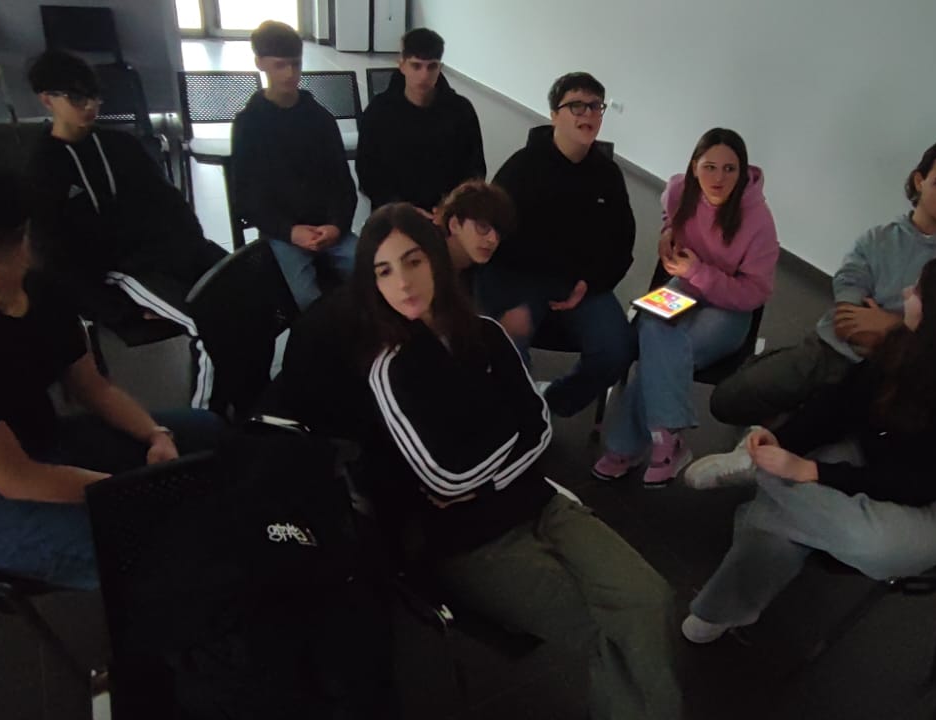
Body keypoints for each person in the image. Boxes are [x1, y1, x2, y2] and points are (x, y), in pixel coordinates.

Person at [275, 204, 682, 719]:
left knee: (653, 599)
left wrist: (486, 472)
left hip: (542, 504)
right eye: (384, 271)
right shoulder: (390, 369)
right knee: (612, 632)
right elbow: (446, 476)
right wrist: (502, 450)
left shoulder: (486, 334)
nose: (403, 282)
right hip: (473, 542)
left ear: (436, 261)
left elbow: (539, 425)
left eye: (413, 261)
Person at [679, 254, 936, 643]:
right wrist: (785, 440)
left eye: (918, 291)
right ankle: (763, 496)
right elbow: (842, 401)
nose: (906, 294)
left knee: (872, 545)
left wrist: (812, 472)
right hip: (873, 455)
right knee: (789, 504)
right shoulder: (911, 342)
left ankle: (759, 474)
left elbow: (924, 482)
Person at [0, 172, 221, 590]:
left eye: (1, 249)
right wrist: (136, 492)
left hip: (40, 443)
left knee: (210, 434)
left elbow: (93, 388)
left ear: (25, 238)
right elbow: (16, 479)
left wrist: (155, 434)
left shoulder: (46, 294)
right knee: (151, 549)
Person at [704, 138, 936, 430]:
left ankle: (796, 416)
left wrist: (893, 330)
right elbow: (850, 278)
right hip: (835, 348)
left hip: (903, 374)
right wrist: (853, 316)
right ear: (919, 181)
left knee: (822, 433)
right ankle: (788, 395)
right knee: (727, 400)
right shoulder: (879, 238)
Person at [24, 50, 226, 408]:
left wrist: (193, 248)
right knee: (208, 325)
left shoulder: (121, 145)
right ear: (47, 99)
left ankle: (245, 399)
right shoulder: (44, 168)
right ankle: (208, 420)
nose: (90, 106)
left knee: (247, 294)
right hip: (120, 273)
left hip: (168, 254)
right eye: (77, 98)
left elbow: (171, 204)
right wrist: (118, 311)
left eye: (95, 96)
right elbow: (54, 256)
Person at [593, 129, 780, 487]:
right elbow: (670, 209)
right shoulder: (680, 190)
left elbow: (754, 293)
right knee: (653, 328)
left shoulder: (758, 221)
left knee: (663, 353)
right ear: (694, 167)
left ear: (742, 172)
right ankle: (668, 441)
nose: (718, 178)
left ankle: (625, 448)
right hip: (686, 286)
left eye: (729, 169)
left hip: (729, 303)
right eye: (709, 167)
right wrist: (667, 231)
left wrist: (698, 272)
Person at [482, 71, 636, 417]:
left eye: (595, 106)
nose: (588, 114)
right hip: (521, 278)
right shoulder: (521, 168)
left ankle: (550, 404)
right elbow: (493, 236)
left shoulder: (607, 175)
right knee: (505, 344)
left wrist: (589, 283)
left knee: (616, 349)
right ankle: (520, 415)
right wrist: (510, 297)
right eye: (576, 106)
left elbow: (622, 243)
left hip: (582, 284)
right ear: (554, 115)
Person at [231, 20, 358, 311]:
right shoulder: (248, 124)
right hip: (284, 233)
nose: (290, 74)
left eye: (296, 64)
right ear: (260, 63)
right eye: (280, 65)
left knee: (372, 270)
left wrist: (336, 225)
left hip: (329, 228)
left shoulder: (320, 118)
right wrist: (290, 231)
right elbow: (246, 196)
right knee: (306, 298)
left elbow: (342, 183)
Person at [356, 28, 485, 212]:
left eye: (432, 67)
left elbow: (475, 170)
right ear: (402, 65)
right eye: (416, 66)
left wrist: (450, 207)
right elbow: (368, 172)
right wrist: (402, 208)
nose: (424, 76)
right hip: (394, 213)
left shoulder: (461, 111)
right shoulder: (379, 111)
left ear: (440, 68)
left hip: (447, 213)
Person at [433, 178, 513, 280]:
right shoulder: (424, 260)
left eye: (499, 231)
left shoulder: (479, 276)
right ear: (454, 224)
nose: (493, 240)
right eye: (483, 226)